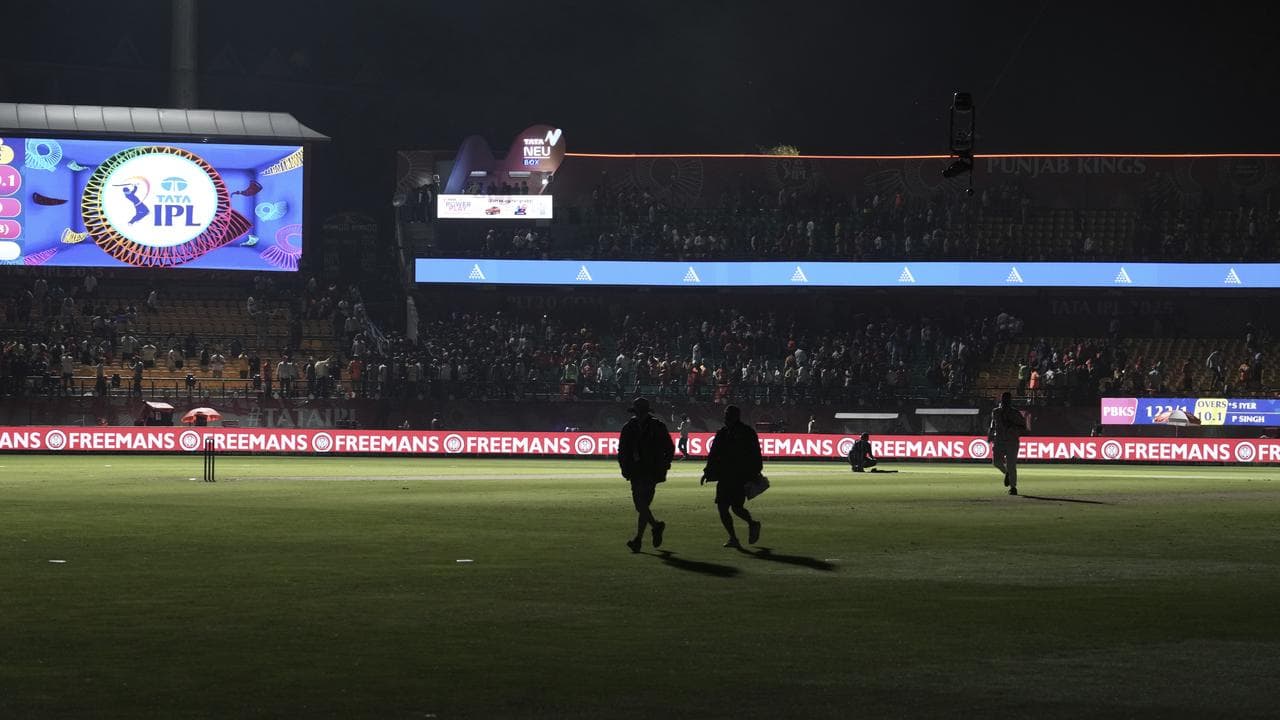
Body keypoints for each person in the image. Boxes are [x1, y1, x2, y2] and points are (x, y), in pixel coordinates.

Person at [701, 404, 763, 548]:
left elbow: (755, 454)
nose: (725, 416)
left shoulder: (746, 432)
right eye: (725, 414)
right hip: (724, 476)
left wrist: (755, 472)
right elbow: (713, 454)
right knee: (722, 507)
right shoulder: (723, 432)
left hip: (739, 476)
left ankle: (752, 524)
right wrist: (707, 472)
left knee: (736, 507)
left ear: (736, 416)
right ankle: (733, 537)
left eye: (728, 414)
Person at [617, 397, 674, 553]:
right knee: (641, 505)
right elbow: (622, 451)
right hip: (636, 470)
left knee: (641, 504)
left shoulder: (655, 426)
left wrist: (664, 465)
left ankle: (641, 538)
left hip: (651, 470)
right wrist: (624, 466)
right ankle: (653, 528)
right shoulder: (631, 427)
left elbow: (669, 448)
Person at [988, 391, 1027, 495]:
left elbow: (1024, 427)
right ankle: (1007, 474)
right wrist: (990, 434)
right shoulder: (996, 412)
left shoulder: (1015, 413)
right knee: (996, 462)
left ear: (1010, 400)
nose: (1005, 401)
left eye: (1007, 399)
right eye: (1004, 399)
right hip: (999, 440)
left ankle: (1013, 487)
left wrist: (1013, 426)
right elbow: (993, 424)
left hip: (1012, 440)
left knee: (1011, 464)